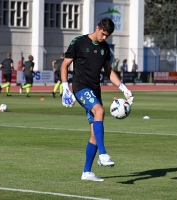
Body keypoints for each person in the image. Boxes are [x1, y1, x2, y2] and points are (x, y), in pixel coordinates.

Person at [60, 17, 134, 182]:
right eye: (103, 33)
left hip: (95, 90)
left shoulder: (105, 47)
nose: (104, 37)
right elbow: (64, 65)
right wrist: (65, 88)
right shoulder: (78, 42)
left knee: (94, 132)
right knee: (99, 110)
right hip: (80, 87)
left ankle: (87, 172)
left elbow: (109, 71)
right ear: (97, 27)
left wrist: (123, 87)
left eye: (107, 35)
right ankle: (103, 154)